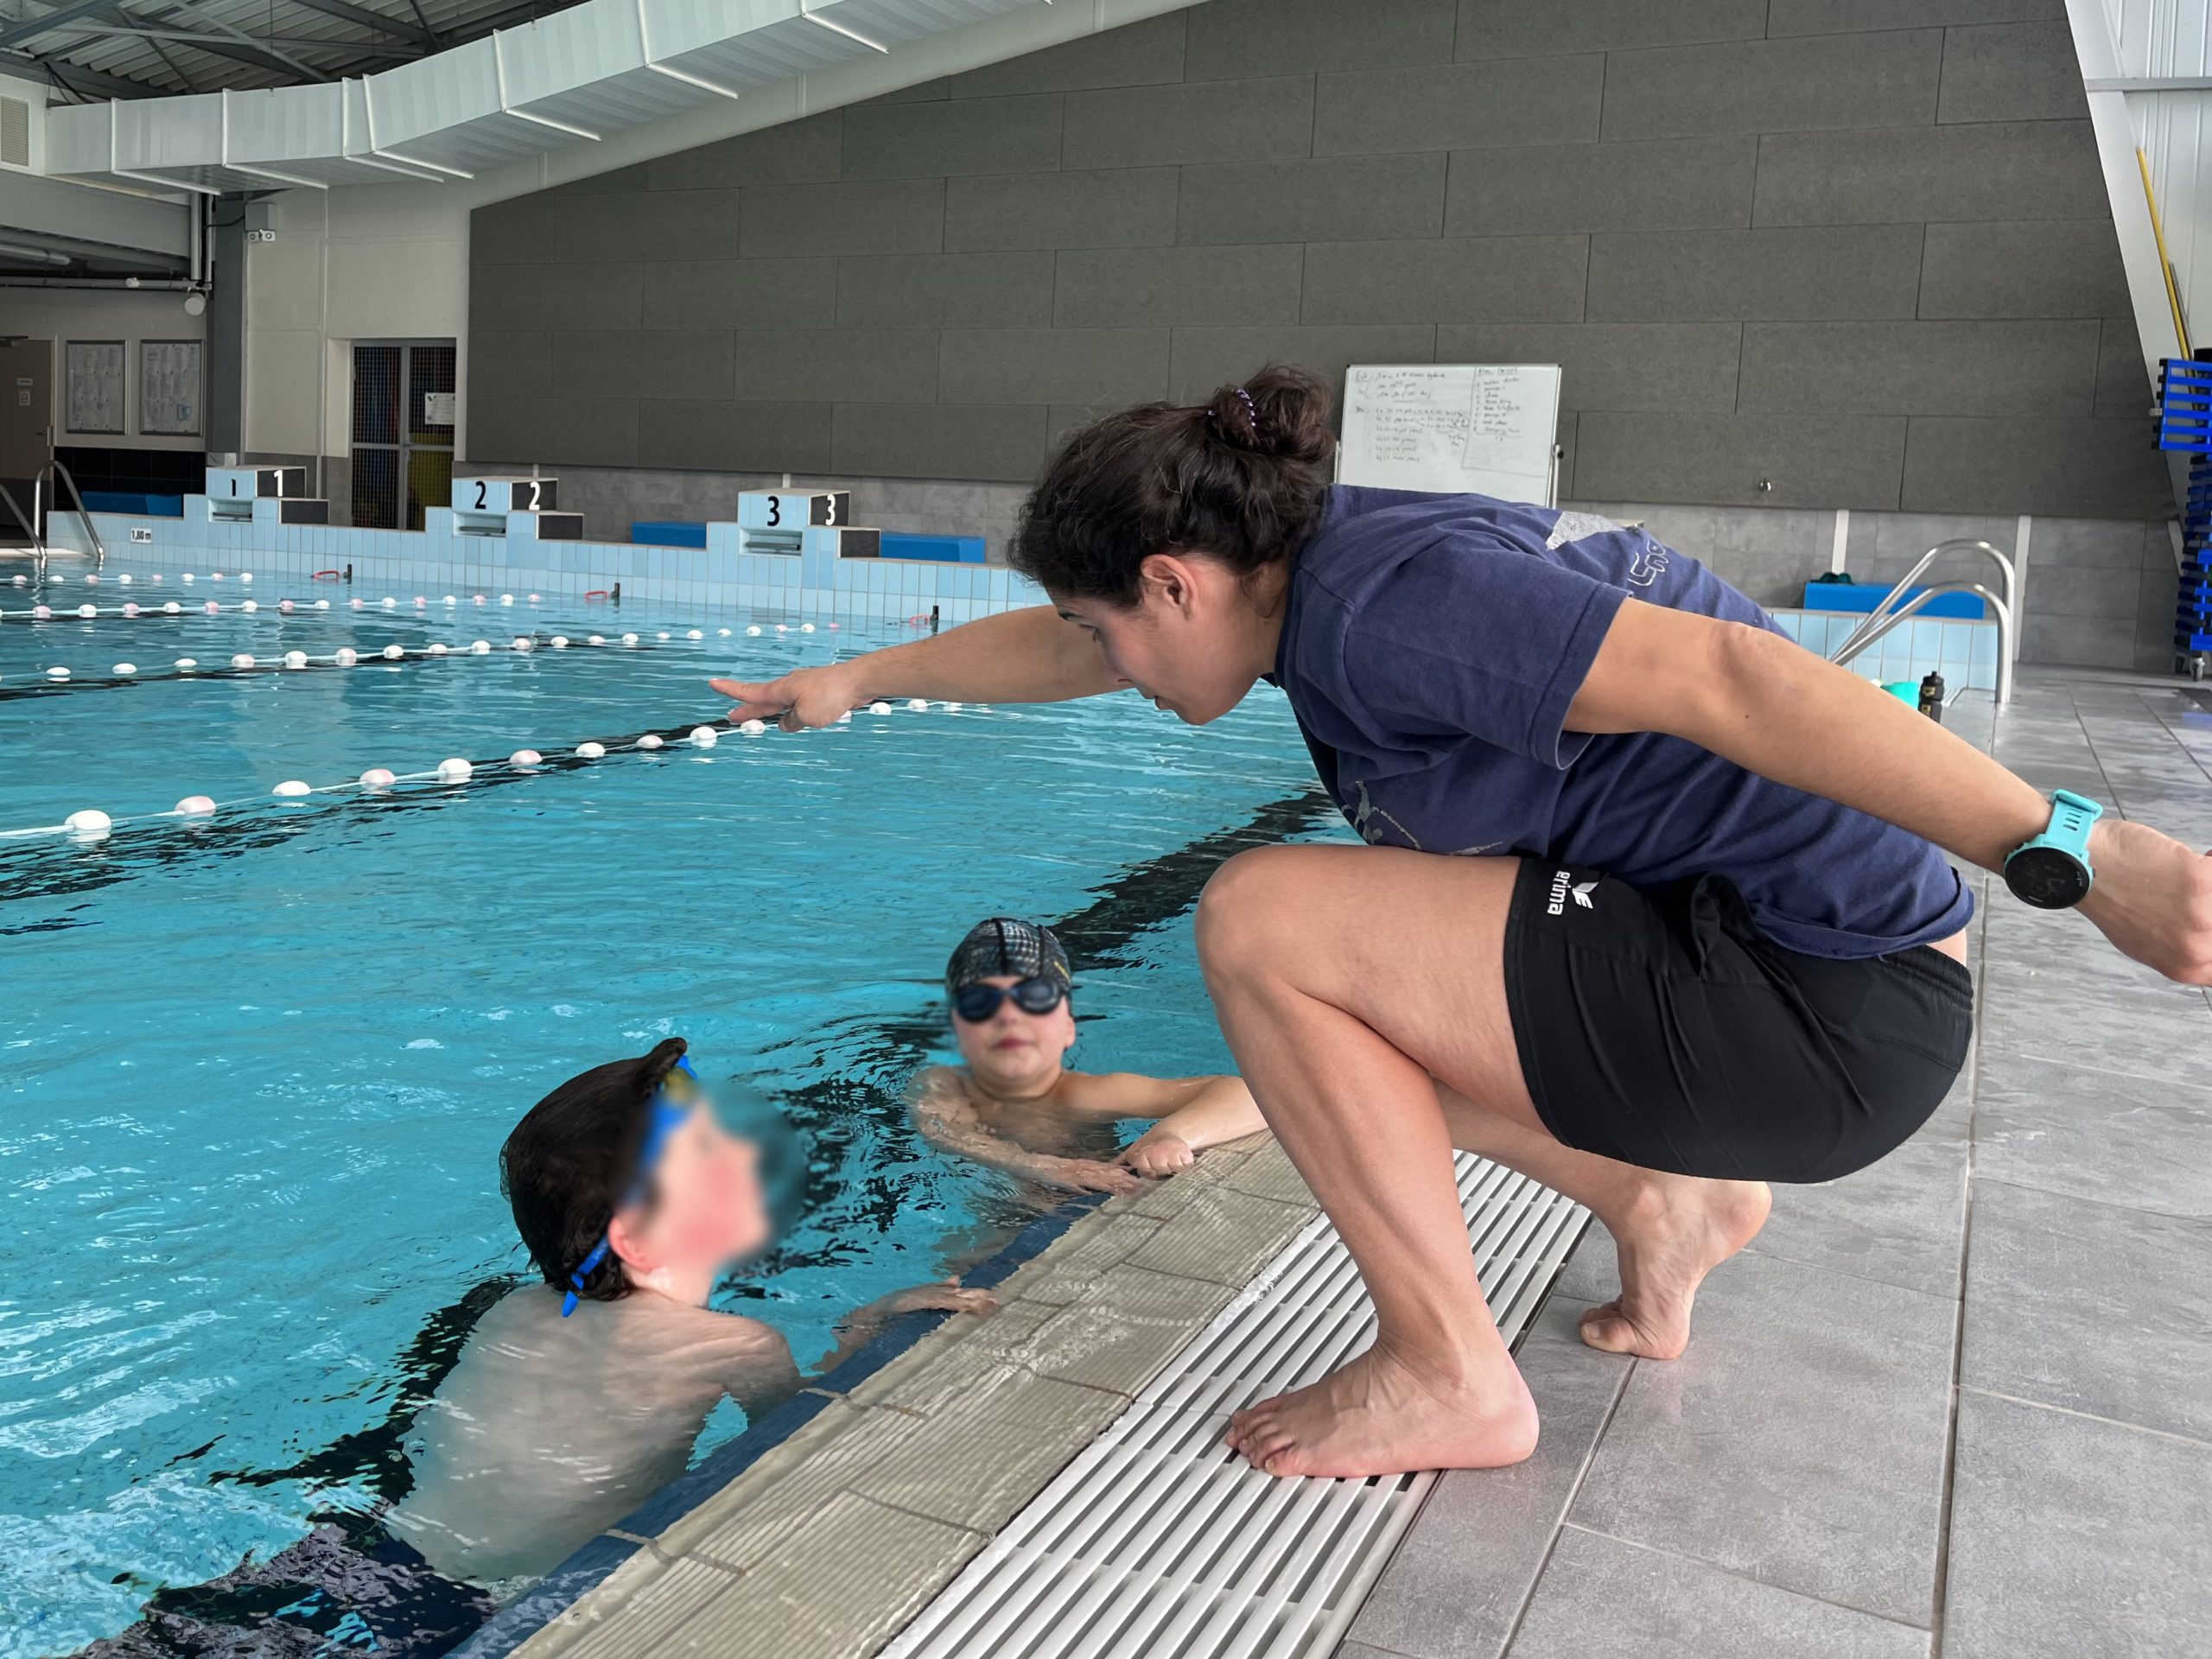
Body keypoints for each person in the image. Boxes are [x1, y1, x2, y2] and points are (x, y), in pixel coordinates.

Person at [710, 365, 2212, 1482]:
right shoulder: (1319, 564)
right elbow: (1061, 638)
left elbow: (1744, 685)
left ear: (1174, 582)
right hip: (1797, 988)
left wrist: (2082, 848)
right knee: (1351, 1016)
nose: (1107, 661)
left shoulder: (1390, 609)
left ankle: (1450, 1373)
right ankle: (1656, 1200)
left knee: (1265, 925)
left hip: (1827, 1010)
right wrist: (867, 678)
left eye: (1113, 630)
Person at [388, 1038, 994, 1582]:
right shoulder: (738, 1346)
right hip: (505, 1608)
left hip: (377, 1553)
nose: (740, 1150)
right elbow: (801, 1436)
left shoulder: (516, 1310)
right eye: (707, 1150)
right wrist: (870, 1324)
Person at [910, 917, 1267, 1194]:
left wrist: (1170, 1134)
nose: (1008, 1016)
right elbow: (943, 1131)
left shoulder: (1086, 1095)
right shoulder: (944, 1083)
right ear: (957, 1029)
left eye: (1033, 999)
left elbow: (1251, 1097)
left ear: (1068, 1027)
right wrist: (1038, 1165)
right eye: (981, 1003)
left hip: (1093, 1209)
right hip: (1002, 1226)